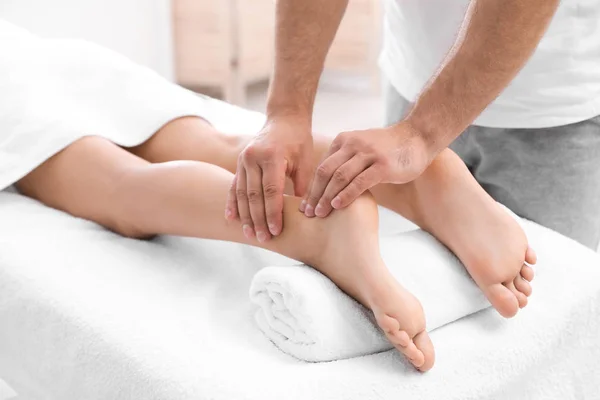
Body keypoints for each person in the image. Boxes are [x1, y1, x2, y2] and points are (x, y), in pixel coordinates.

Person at [0, 20, 534, 372]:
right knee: (218, 143)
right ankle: (414, 183)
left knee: (119, 187)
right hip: (58, 58)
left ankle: (308, 231)